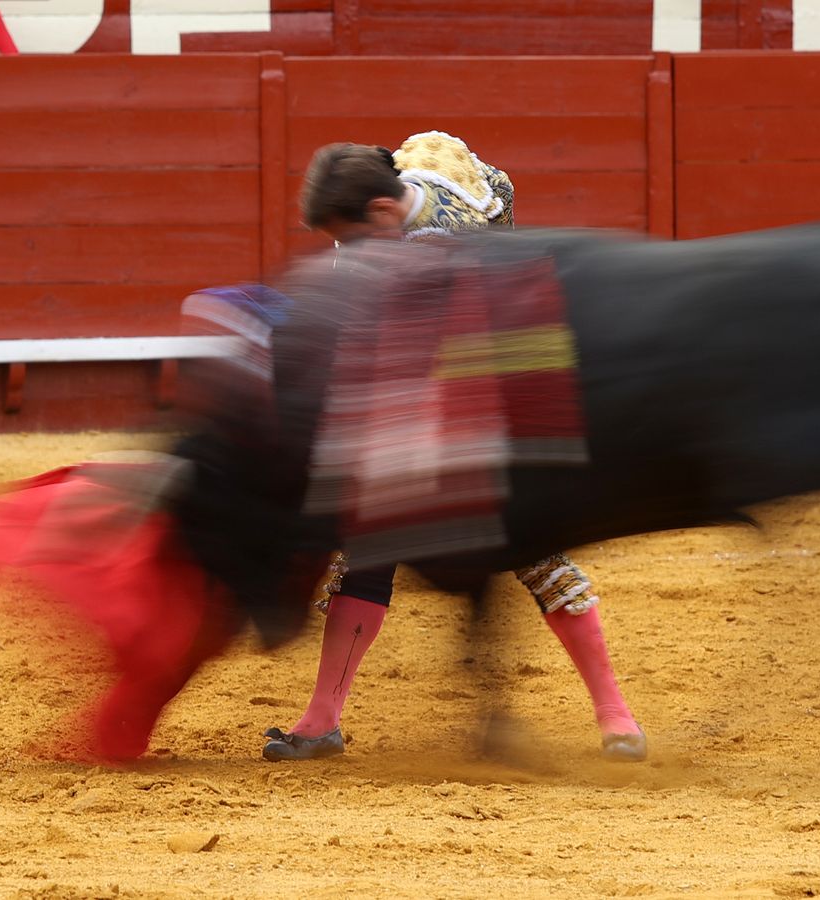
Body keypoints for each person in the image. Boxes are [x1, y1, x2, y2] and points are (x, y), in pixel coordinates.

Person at [260, 132, 647, 764]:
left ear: (381, 213)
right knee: (372, 544)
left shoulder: (461, 240)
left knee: (529, 543)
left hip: (491, 391)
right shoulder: (370, 232)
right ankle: (321, 719)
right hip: (424, 389)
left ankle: (617, 716)